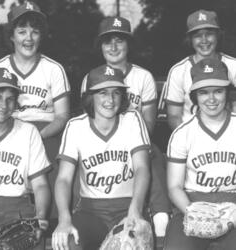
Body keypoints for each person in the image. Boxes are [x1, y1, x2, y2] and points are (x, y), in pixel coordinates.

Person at [81, 15, 171, 239]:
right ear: (100, 46)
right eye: (107, 41)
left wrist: (129, 147)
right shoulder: (89, 78)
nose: (113, 46)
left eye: (119, 40)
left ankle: (161, 215)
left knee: (154, 154)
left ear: (128, 44)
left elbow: (148, 124)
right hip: (101, 144)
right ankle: (78, 211)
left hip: (136, 141)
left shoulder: (143, 77)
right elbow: (87, 123)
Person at [52, 65, 151, 250]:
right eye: (103, 93)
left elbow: (142, 168)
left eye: (116, 93)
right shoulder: (75, 126)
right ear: (90, 96)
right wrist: (64, 219)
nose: (110, 100)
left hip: (128, 205)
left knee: (131, 245)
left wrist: (135, 209)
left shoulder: (132, 120)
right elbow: (63, 179)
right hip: (91, 212)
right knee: (69, 243)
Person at [0, 0, 71, 220]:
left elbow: (62, 116)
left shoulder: (53, 69)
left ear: (41, 36)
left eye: (35, 32)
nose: (28, 38)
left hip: (47, 131)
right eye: (22, 31)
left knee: (54, 168)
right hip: (6, 129)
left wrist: (36, 136)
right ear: (12, 36)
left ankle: (51, 223)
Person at [165, 58, 236, 250]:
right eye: (204, 92)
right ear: (195, 96)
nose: (211, 99)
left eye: (218, 91)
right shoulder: (182, 133)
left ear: (227, 92)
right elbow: (174, 186)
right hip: (192, 203)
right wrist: (193, 212)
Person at [0, 68, 51, 250]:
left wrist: (40, 218)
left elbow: (40, 185)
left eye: (10, 98)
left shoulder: (28, 131)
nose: (4, 105)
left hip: (19, 211)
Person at [164, 9, 236, 131]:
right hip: (192, 136)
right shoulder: (179, 70)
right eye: (197, 35)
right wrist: (188, 142)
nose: (204, 40)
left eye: (209, 34)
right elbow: (174, 116)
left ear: (217, 36)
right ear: (190, 40)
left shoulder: (233, 65)